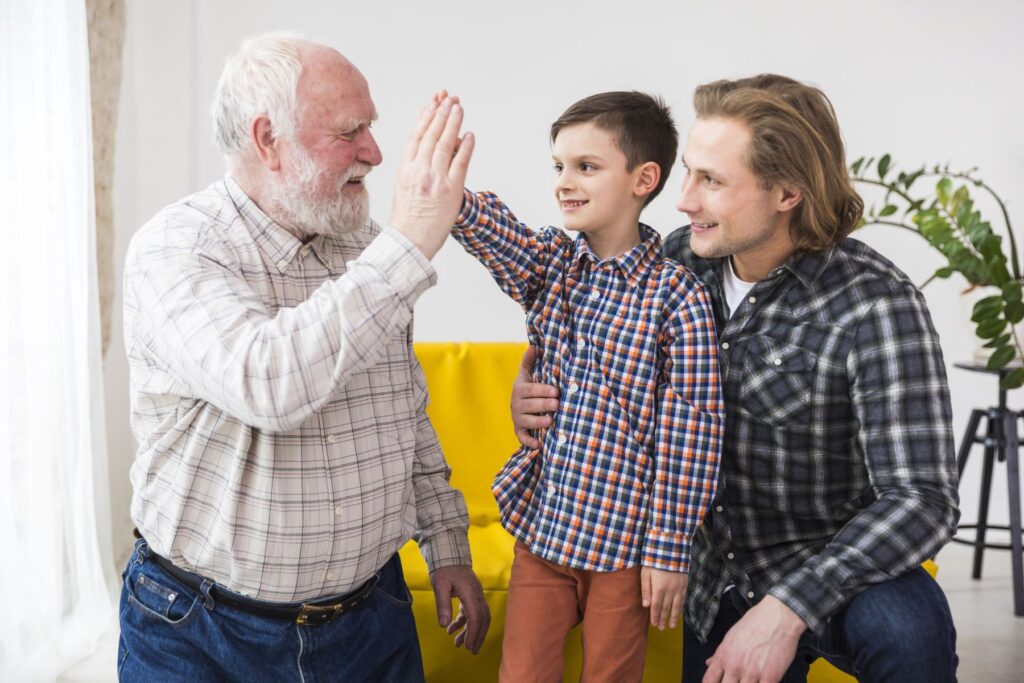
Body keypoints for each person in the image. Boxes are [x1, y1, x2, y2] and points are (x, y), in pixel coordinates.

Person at [511, 74, 960, 683]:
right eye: (690, 172)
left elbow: (922, 500)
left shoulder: (876, 304)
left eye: (712, 181)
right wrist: (535, 393)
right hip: (715, 577)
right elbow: (588, 349)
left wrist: (788, 608)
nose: (684, 199)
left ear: (787, 193)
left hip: (828, 563)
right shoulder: (671, 263)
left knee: (910, 632)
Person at [118, 33, 488, 681]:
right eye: (350, 132)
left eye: (371, 128)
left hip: (373, 618)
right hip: (200, 629)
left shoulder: (368, 250)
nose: (373, 152)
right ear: (268, 140)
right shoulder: (175, 250)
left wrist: (448, 544)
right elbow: (267, 381)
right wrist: (410, 242)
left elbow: (404, 409)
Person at [449, 91, 723, 681]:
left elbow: (691, 433)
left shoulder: (679, 297)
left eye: (587, 167)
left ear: (643, 179)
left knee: (611, 675)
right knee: (522, 673)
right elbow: (502, 237)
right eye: (559, 167)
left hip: (625, 546)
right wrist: (452, 199)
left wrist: (670, 545)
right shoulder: (554, 266)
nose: (564, 182)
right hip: (547, 529)